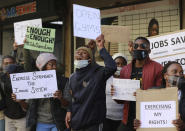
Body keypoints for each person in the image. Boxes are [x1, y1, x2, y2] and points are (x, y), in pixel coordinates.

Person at [65, 34, 117, 131]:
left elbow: (112, 67)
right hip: (77, 123)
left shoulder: (98, 73)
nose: (80, 54)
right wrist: (69, 111)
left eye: (84, 53)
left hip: (93, 124)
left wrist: (101, 47)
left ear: (90, 60)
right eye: (78, 52)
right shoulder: (72, 77)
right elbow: (73, 98)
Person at [116, 36, 163, 131]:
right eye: (136, 46)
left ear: (149, 51)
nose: (138, 48)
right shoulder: (125, 69)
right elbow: (121, 100)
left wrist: (143, 94)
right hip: (128, 119)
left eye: (143, 46)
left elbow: (161, 94)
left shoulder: (158, 68)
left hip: (148, 119)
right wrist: (116, 93)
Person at [23, 53, 69, 131]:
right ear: (43, 67)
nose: (54, 67)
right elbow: (28, 106)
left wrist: (60, 98)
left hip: (58, 123)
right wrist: (20, 101)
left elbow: (67, 104)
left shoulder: (64, 81)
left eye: (55, 64)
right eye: (51, 65)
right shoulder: (34, 82)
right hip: (41, 123)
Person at [134, 61, 185, 131]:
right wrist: (139, 123)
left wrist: (182, 126)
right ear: (165, 76)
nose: (179, 75)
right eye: (175, 72)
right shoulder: (151, 93)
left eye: (181, 72)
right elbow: (145, 117)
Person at [103, 53, 127, 131]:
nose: (120, 66)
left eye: (123, 64)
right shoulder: (105, 77)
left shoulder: (129, 80)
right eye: (117, 63)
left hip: (122, 119)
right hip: (106, 117)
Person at [1, 64, 28, 131]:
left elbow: (28, 106)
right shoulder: (3, 81)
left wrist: (20, 101)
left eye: (13, 74)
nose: (10, 76)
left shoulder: (26, 84)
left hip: (22, 118)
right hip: (8, 117)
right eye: (8, 74)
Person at [0, 55, 17, 131]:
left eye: (10, 63)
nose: (9, 65)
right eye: (6, 63)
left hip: (3, 114)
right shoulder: (2, 77)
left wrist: (15, 51)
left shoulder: (2, 78)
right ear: (2, 65)